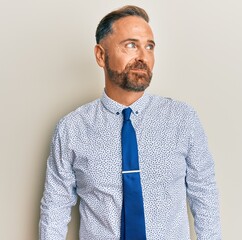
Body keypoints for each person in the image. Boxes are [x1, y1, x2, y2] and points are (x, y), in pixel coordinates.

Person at [39, 5, 221, 240]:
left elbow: (204, 195)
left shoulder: (182, 119)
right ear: (100, 55)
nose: (143, 56)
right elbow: (55, 207)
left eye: (149, 46)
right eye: (131, 45)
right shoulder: (72, 129)